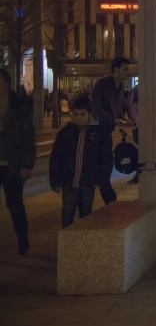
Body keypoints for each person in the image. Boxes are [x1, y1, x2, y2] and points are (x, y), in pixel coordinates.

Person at [49, 95, 113, 228]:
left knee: (86, 212)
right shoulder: (65, 133)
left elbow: (105, 159)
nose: (78, 118)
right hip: (69, 181)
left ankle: (83, 242)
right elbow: (56, 157)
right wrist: (55, 181)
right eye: (76, 114)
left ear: (90, 114)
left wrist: (101, 180)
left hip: (88, 182)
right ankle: (67, 242)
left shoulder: (99, 134)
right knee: (67, 212)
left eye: (82, 114)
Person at [0, 68, 35, 255]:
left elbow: (28, 137)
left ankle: (22, 238)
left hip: (12, 165)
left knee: (14, 204)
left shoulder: (19, 107)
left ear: (6, 84)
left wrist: (26, 164)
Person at [90, 56, 135, 182]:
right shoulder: (102, 84)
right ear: (116, 69)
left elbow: (118, 107)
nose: (128, 72)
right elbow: (95, 106)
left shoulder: (120, 86)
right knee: (102, 165)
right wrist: (113, 119)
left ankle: (104, 190)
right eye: (125, 69)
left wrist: (125, 119)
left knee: (106, 166)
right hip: (96, 131)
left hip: (106, 130)